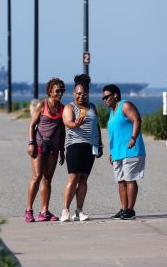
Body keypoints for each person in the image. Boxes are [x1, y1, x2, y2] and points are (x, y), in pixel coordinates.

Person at [60, 74, 103, 222]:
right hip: (74, 145)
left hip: (90, 146)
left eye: (84, 94)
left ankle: (79, 210)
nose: (81, 96)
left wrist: (100, 143)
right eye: (78, 93)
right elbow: (68, 123)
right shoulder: (69, 107)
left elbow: (96, 125)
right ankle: (65, 210)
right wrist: (76, 124)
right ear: (74, 93)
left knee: (84, 179)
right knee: (73, 178)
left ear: (88, 94)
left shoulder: (92, 107)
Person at [25, 78, 66, 222]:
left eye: (62, 90)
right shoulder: (42, 105)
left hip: (54, 146)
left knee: (48, 179)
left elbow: (62, 129)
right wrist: (31, 143)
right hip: (39, 144)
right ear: (50, 91)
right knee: (37, 176)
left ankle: (44, 211)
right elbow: (32, 125)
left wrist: (62, 149)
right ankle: (29, 210)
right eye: (57, 90)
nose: (60, 93)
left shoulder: (62, 108)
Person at [102, 84, 146, 220]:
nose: (105, 100)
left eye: (107, 97)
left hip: (131, 149)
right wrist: (111, 153)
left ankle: (130, 210)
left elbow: (137, 119)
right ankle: (123, 209)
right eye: (103, 98)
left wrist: (133, 137)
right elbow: (116, 134)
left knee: (129, 180)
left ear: (115, 95)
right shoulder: (112, 111)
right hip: (118, 152)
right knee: (121, 181)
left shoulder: (125, 105)